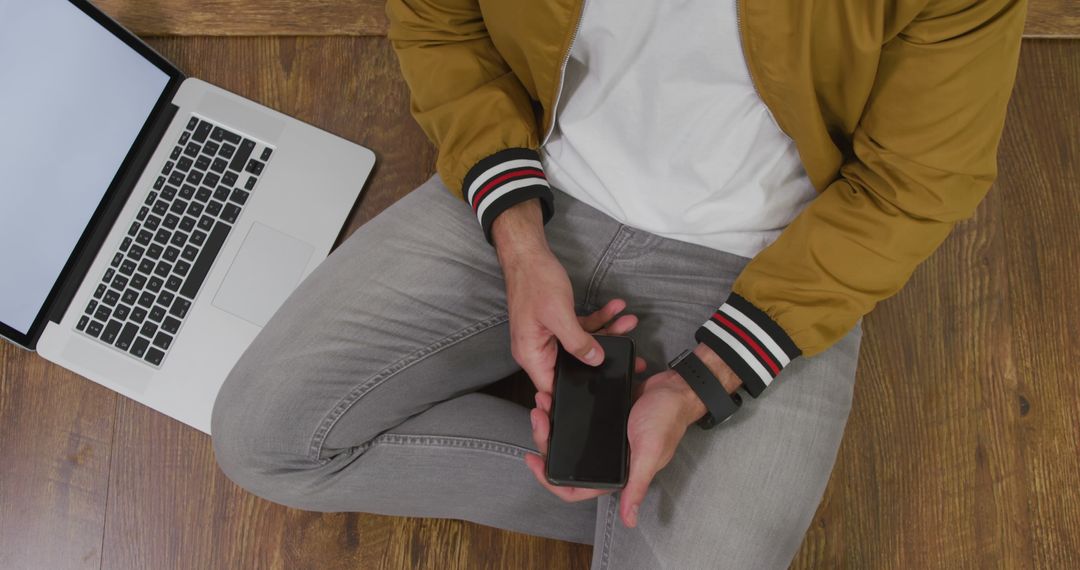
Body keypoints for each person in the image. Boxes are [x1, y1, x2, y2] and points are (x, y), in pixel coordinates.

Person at [210, 0, 1026, 567]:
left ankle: (648, 487)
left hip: (774, 267)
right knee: (266, 438)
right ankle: (654, 499)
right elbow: (439, 20)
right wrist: (518, 235)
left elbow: (916, 183)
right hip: (537, 184)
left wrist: (708, 377)